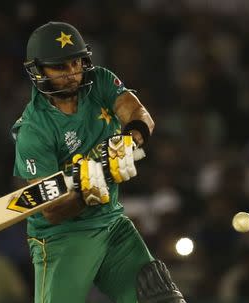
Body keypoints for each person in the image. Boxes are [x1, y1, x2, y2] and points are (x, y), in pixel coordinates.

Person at [11, 21, 186, 303]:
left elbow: (139, 113)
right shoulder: (33, 131)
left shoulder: (101, 81)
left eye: (76, 63)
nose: (72, 74)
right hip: (62, 238)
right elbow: (51, 211)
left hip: (111, 224)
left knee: (160, 297)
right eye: (60, 67)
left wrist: (128, 141)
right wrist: (89, 191)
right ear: (38, 71)